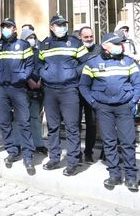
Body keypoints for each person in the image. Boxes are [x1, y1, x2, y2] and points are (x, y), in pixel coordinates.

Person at [79, 32, 140, 192]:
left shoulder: (128, 62)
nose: (121, 46)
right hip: (103, 108)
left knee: (128, 142)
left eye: (121, 44)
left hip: (124, 107)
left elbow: (138, 82)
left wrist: (132, 101)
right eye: (117, 44)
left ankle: (131, 177)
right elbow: (83, 86)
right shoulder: (92, 63)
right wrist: (94, 103)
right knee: (109, 142)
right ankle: (114, 175)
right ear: (105, 46)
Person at [39, 14, 89, 176]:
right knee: (53, 127)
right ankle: (54, 158)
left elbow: (85, 62)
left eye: (64, 24)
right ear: (52, 27)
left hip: (69, 90)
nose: (62, 27)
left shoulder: (75, 42)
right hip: (50, 90)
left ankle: (73, 161)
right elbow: (38, 63)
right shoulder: (44, 44)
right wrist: (44, 73)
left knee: (72, 127)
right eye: (58, 24)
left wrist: (73, 72)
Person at [0, 18, 36, 175]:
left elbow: (30, 64)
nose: (5, 29)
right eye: (3, 27)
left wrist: (23, 77)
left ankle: (28, 155)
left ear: (15, 29)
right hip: (1, 88)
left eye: (8, 27)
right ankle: (12, 149)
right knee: (4, 121)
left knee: (23, 121)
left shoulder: (23, 45)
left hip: (18, 88)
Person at [20, 28, 47, 154]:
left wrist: (40, 80)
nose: (32, 40)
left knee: (35, 117)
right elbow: (18, 68)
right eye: (29, 37)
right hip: (23, 88)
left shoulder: (38, 52)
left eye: (33, 37)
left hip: (38, 88)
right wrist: (28, 80)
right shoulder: (18, 52)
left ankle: (38, 144)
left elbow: (43, 66)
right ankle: (18, 143)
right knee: (20, 118)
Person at [78, 26, 102, 162]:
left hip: (93, 92)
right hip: (76, 91)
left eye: (91, 36)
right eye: (86, 37)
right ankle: (77, 153)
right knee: (74, 123)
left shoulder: (99, 50)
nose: (89, 39)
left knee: (91, 123)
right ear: (80, 37)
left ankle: (88, 152)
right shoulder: (76, 50)